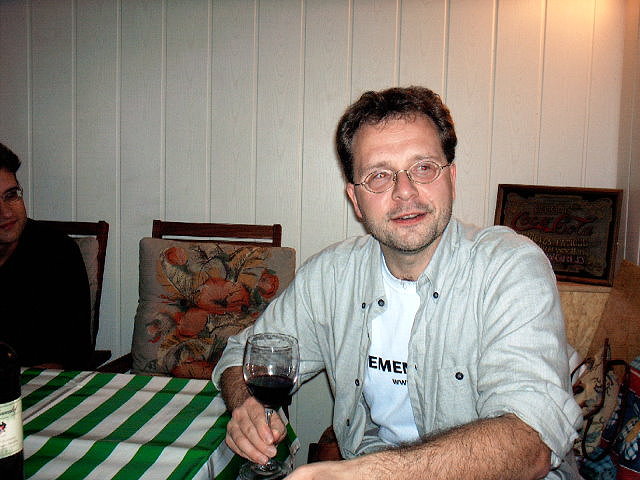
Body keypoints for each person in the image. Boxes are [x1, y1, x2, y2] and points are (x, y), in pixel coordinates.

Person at [212, 87, 582, 479]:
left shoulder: (509, 267)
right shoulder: (332, 276)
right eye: (379, 176)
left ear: (451, 178)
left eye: (423, 168)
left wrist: (363, 474)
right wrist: (247, 405)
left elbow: (530, 441)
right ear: (356, 200)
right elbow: (240, 356)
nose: (405, 192)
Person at [0, 142, 92, 370]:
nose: (6, 213)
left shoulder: (57, 253)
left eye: (11, 195)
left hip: (37, 384)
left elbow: (73, 355)